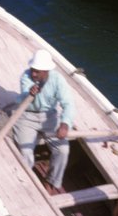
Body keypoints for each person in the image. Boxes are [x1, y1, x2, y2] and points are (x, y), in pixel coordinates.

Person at [13, 49, 76, 191]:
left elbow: (69, 104)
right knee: (25, 152)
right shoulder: (26, 76)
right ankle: (27, 184)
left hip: (49, 117)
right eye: (33, 70)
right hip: (26, 117)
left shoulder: (58, 80)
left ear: (46, 71)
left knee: (63, 150)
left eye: (37, 71)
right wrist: (29, 93)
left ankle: (52, 181)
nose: (33, 73)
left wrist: (65, 124)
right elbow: (23, 97)